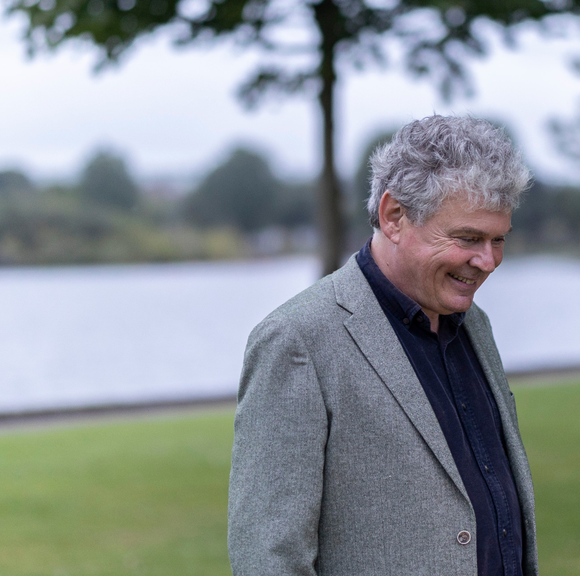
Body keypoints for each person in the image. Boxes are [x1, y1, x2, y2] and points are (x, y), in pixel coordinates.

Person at [228, 115, 537, 576]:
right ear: (394, 216)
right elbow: (268, 558)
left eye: (498, 240)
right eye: (468, 238)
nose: (488, 261)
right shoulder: (297, 341)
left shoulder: (475, 324)